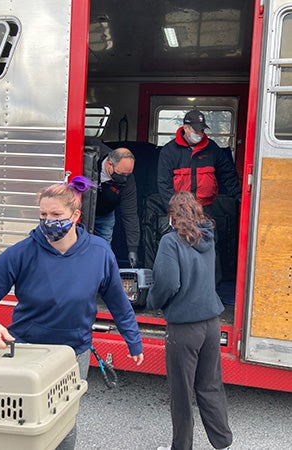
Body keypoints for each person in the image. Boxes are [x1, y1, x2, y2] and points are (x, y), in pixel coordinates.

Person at [0, 175, 144, 450]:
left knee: (64, 424)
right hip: (27, 353)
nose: (48, 220)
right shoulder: (22, 252)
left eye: (56, 214)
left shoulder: (99, 252)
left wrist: (133, 339)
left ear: (75, 215)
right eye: (43, 214)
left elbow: (117, 301)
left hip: (74, 353)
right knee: (23, 426)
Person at [146, 191, 232, 450]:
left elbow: (168, 283)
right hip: (211, 323)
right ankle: (223, 442)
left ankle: (181, 447)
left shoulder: (170, 242)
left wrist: (152, 301)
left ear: (172, 216)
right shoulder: (207, 237)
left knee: (182, 394)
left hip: (184, 327)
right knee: (210, 385)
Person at [157, 108, 242, 284]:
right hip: (181, 211)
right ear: (185, 128)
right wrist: (175, 211)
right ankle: (183, 286)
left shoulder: (212, 149)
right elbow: (163, 185)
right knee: (181, 248)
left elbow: (228, 175)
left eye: (202, 130)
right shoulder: (169, 151)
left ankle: (212, 287)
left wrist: (240, 197)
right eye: (196, 130)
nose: (200, 133)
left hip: (206, 208)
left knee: (211, 247)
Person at [85, 139, 140, 268]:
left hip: (105, 215)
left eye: (128, 174)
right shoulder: (92, 158)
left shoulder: (128, 181)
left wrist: (133, 249)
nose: (124, 178)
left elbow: (130, 214)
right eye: (121, 174)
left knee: (104, 250)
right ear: (109, 164)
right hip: (83, 211)